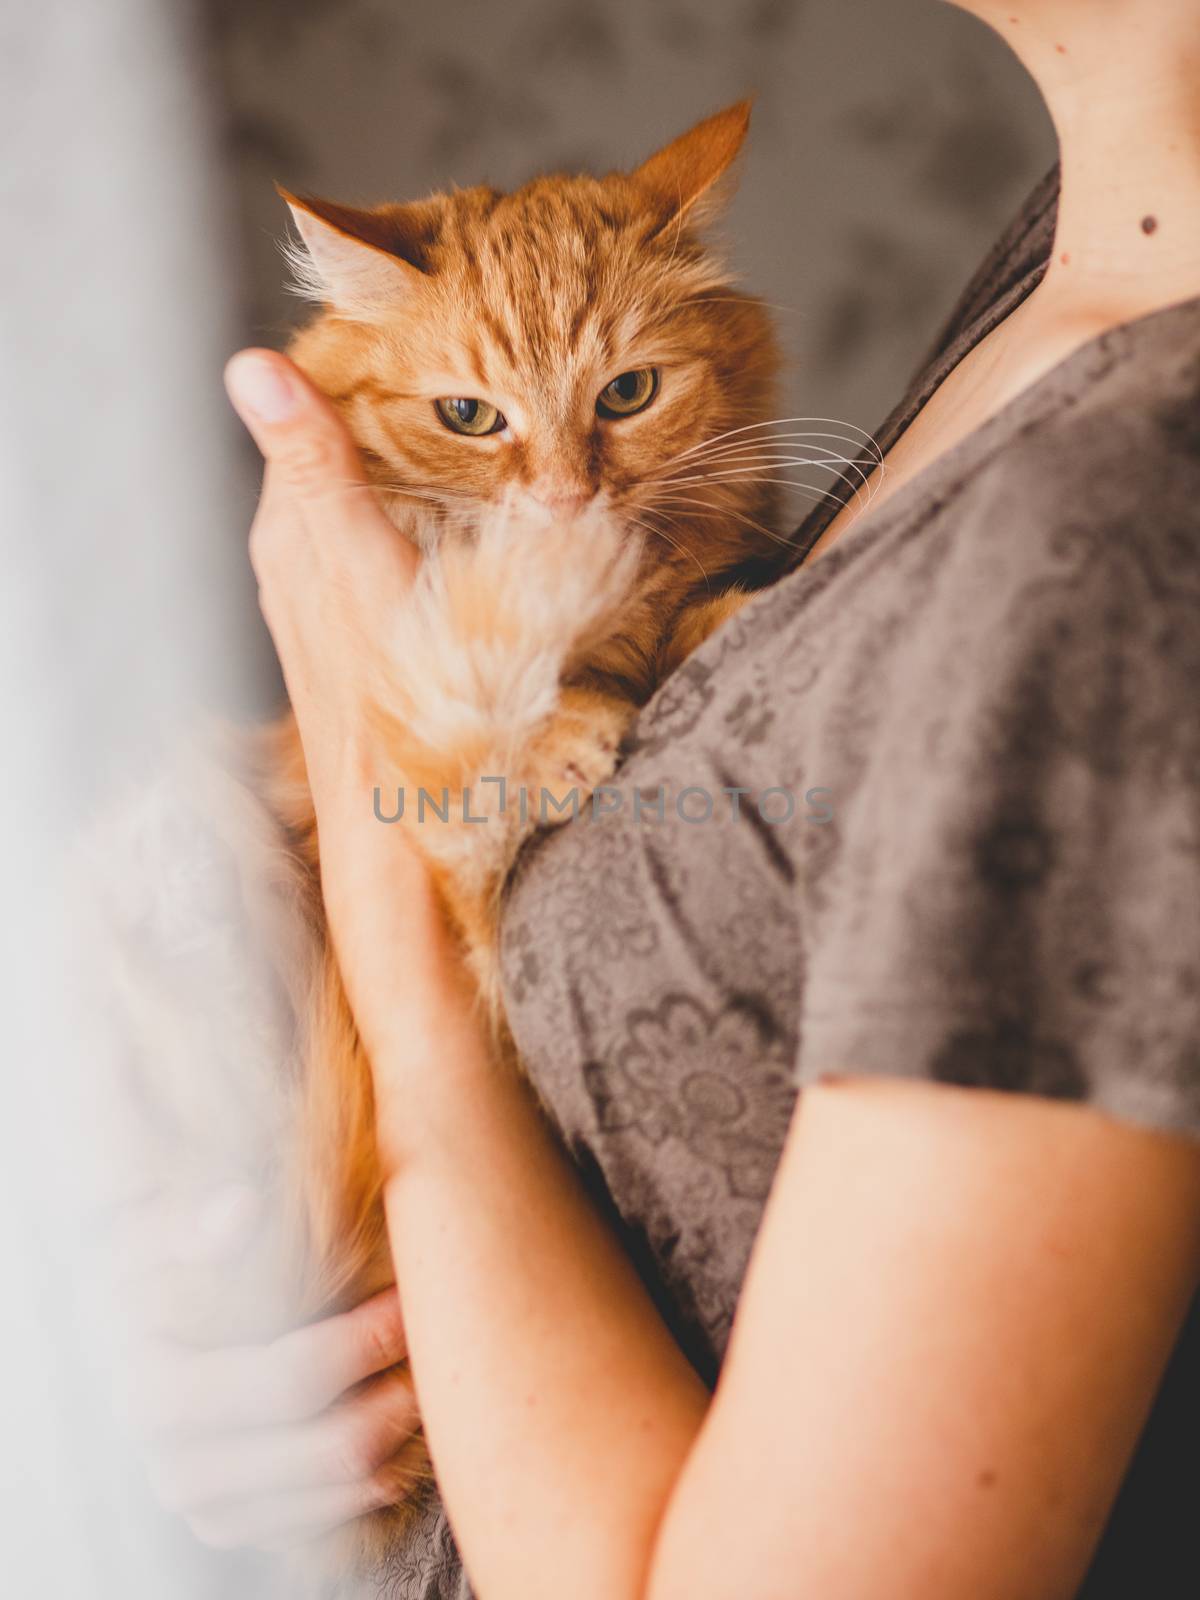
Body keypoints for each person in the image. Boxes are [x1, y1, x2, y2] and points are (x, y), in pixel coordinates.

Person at [134, 2, 1200, 1594]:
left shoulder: (1119, 501)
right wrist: (225, 1354)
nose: (562, 484)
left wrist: (383, 797)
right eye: (483, 422)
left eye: (622, 402)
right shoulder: (1066, 257)